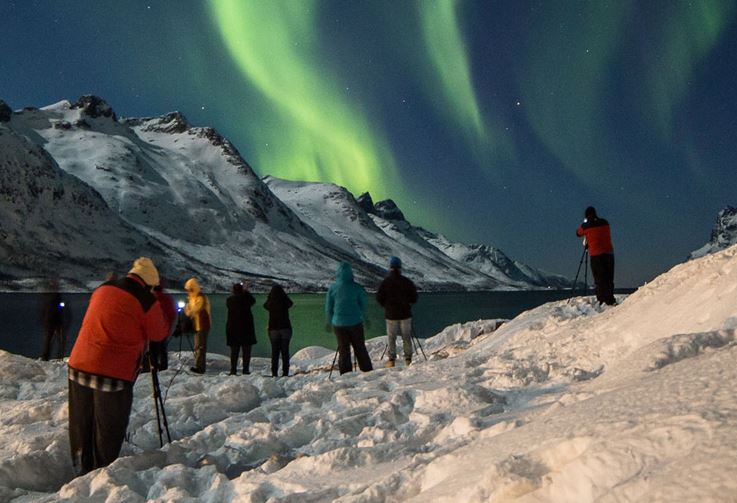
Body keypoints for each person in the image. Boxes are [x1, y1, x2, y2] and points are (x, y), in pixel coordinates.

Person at [67, 257, 168, 475]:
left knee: (81, 423)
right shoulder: (145, 299)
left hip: (78, 365)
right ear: (149, 282)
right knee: (108, 428)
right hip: (113, 374)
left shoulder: (103, 289)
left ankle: (79, 468)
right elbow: (159, 332)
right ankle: (101, 474)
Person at [325, 262, 373, 375]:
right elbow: (364, 305)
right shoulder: (357, 287)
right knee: (360, 348)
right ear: (351, 273)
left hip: (339, 324)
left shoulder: (332, 288)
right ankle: (367, 371)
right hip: (355, 322)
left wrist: (328, 321)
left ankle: (346, 373)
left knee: (343, 350)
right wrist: (366, 319)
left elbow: (328, 307)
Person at [376, 256, 418, 367]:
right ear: (400, 268)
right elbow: (414, 297)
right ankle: (408, 359)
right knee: (406, 336)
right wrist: (408, 304)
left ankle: (391, 360)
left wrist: (386, 306)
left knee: (391, 337)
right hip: (405, 314)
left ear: (390, 268)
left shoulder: (385, 282)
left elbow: (379, 298)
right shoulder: (407, 282)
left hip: (391, 314)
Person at [576, 206, 616, 305]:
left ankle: (602, 300)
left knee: (599, 278)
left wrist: (585, 224)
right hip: (609, 253)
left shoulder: (586, 226)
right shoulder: (605, 222)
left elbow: (578, 233)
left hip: (596, 254)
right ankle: (610, 299)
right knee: (609, 278)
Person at [225, 282, 256, 375]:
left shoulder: (229, 300)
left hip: (233, 328)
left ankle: (233, 370)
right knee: (246, 351)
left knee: (234, 352)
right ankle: (245, 369)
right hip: (246, 329)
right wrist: (246, 292)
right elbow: (253, 301)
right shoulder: (246, 299)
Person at [263, 284, 293, 377]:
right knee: (285, 351)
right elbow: (290, 303)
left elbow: (265, 305)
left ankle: (274, 372)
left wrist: (269, 296)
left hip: (273, 328)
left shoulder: (270, 303)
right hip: (285, 328)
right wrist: (284, 295)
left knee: (275, 352)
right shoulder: (284, 301)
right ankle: (285, 372)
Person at [184, 277, 211, 374]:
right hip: (197, 326)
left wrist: (188, 308)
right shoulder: (193, 298)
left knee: (200, 347)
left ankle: (200, 368)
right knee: (197, 346)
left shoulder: (200, 298)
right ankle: (198, 365)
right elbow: (190, 312)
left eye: (189, 289)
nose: (188, 292)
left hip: (202, 326)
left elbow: (195, 310)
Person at [149, 281, 177, 371]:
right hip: (164, 328)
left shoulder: (151, 298)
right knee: (162, 348)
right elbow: (172, 314)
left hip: (152, 329)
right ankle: (163, 367)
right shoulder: (168, 299)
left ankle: (153, 366)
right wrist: (169, 325)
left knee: (153, 349)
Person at [40, 279, 71, 360]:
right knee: (60, 341)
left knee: (49, 340)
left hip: (49, 321)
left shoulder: (46, 296)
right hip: (56, 321)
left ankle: (46, 357)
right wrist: (62, 306)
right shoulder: (55, 296)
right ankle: (58, 357)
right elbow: (57, 308)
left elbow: (44, 310)